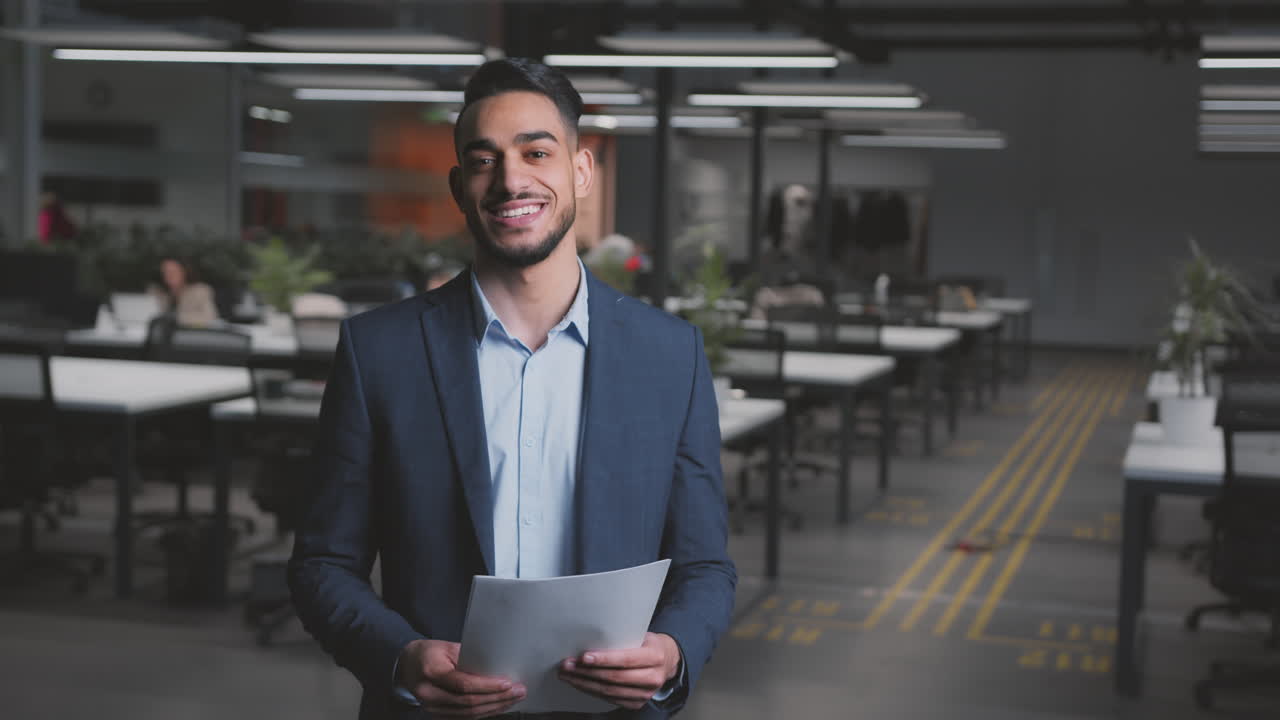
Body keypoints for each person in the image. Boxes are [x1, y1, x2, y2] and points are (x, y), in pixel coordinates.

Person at [288, 58, 736, 719]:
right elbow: (323, 563)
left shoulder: (670, 356)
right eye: (483, 160)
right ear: (459, 186)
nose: (510, 179)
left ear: (580, 172)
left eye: (536, 152)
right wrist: (400, 657)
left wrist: (672, 649)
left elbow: (706, 567)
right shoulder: (379, 352)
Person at [148, 257, 220, 326]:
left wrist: (176, 319)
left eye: (173, 271)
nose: (169, 275)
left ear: (184, 272)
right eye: (165, 272)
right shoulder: (157, 293)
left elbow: (210, 317)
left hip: (189, 334)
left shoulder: (200, 291)